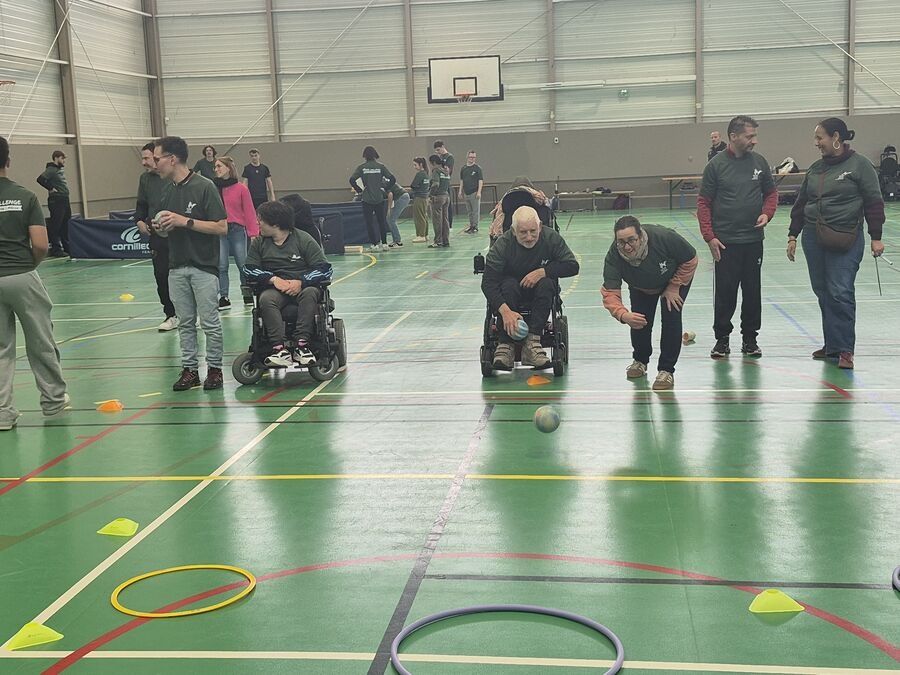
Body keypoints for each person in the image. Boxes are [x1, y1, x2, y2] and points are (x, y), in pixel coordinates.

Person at [787, 117, 885, 370]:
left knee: (840, 291)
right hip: (813, 236)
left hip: (846, 237)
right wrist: (793, 235)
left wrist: (876, 236)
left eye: (820, 137)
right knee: (823, 290)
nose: (816, 142)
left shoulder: (860, 165)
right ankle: (832, 344)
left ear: (836, 138)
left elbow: (874, 202)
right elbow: (801, 203)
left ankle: (845, 349)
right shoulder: (815, 169)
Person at [0, 136, 69, 430]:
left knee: (1, 348)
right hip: (21, 274)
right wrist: (29, 265)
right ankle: (53, 401)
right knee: (40, 339)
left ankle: (2, 414)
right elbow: (41, 244)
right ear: (8, 160)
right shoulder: (25, 196)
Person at [151, 136, 228, 391]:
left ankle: (215, 369)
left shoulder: (205, 186)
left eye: (158, 158)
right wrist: (161, 227)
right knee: (185, 323)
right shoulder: (167, 191)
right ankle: (190, 370)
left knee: (209, 322)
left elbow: (221, 227)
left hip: (203, 266)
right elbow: (167, 230)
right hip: (176, 266)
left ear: (172, 159)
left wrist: (185, 221)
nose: (155, 164)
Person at [697, 115, 778, 359]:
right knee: (725, 292)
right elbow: (703, 203)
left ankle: (750, 339)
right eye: (749, 136)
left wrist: (767, 213)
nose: (754, 141)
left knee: (752, 291)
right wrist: (709, 236)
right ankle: (722, 339)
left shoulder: (760, 162)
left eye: (755, 136)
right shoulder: (715, 166)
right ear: (733, 136)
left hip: (753, 241)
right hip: (725, 243)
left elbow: (771, 193)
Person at [601, 215, 698, 391]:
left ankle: (666, 370)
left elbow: (690, 259)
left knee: (671, 317)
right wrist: (623, 315)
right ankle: (640, 360)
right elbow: (610, 292)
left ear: (640, 235)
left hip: (673, 280)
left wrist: (674, 286)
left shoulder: (664, 237)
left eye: (631, 240)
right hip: (640, 285)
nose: (627, 247)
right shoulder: (613, 256)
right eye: (621, 242)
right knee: (639, 320)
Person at [481, 206, 579, 371]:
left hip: (540, 291)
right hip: (509, 294)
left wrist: (543, 272)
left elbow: (572, 266)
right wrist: (505, 312)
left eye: (533, 231)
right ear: (513, 231)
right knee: (509, 285)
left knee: (547, 283)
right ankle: (505, 345)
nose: (529, 237)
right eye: (523, 232)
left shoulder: (551, 238)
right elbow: (488, 283)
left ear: (540, 226)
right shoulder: (502, 245)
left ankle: (533, 342)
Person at [243, 201, 333, 367]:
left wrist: (301, 282)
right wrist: (273, 279)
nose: (257, 223)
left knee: (310, 293)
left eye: (260, 219)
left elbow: (324, 269)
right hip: (275, 289)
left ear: (275, 223)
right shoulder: (259, 243)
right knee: (266, 299)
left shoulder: (303, 239)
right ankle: (279, 349)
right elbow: (249, 269)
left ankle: (302, 345)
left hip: (303, 288)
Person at [134, 141, 177, 331]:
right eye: (142, 158)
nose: (143, 162)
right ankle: (171, 314)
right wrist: (139, 221)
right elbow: (141, 205)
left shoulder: (173, 177)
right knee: (161, 275)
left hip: (178, 237)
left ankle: (190, 313)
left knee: (183, 275)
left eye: (147, 158)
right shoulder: (145, 179)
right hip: (157, 239)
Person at [213, 155, 257, 309]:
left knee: (242, 263)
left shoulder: (241, 188)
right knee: (222, 265)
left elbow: (249, 211)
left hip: (237, 229)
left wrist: (253, 233)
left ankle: (247, 293)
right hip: (220, 230)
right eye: (215, 167)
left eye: (219, 166)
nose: (216, 169)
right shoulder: (213, 188)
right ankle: (223, 297)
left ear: (228, 168)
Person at [349, 146, 396, 252]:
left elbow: (351, 180)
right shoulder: (381, 167)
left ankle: (374, 244)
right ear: (375, 154)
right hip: (379, 198)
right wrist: (386, 188)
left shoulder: (361, 167)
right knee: (381, 221)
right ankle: (384, 244)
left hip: (367, 199)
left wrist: (359, 190)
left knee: (369, 223)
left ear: (364, 156)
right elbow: (393, 179)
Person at [36, 149, 70, 257]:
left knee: (65, 224)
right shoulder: (51, 169)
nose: (64, 160)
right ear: (56, 158)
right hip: (57, 200)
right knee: (56, 225)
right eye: (62, 158)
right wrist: (50, 188)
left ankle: (67, 247)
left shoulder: (59, 170)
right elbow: (40, 179)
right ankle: (56, 249)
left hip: (64, 199)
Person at [428, 154, 450, 248]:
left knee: (437, 220)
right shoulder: (446, 171)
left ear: (433, 163)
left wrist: (430, 195)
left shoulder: (436, 171)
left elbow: (435, 184)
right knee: (445, 220)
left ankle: (438, 241)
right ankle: (446, 240)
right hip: (446, 196)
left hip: (438, 197)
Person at [459, 150, 484, 234]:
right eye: (471, 157)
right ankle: (471, 225)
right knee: (469, 211)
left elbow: (480, 180)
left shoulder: (477, 168)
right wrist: (460, 191)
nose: (472, 159)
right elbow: (462, 180)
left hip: (474, 192)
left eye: (474, 157)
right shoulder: (463, 168)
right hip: (466, 192)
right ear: (467, 157)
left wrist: (479, 192)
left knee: (475, 211)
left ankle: (475, 226)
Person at [434, 140, 454, 227]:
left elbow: (448, 171)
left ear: (443, 147)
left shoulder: (449, 157)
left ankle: (449, 224)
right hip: (440, 183)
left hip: (446, 183)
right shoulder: (439, 157)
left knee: (447, 205)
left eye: (438, 150)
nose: (438, 152)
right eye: (436, 151)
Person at [410, 157, 430, 243]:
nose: (414, 167)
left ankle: (421, 235)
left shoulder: (420, 174)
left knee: (419, 217)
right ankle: (425, 234)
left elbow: (413, 185)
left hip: (419, 197)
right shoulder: (426, 174)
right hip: (425, 197)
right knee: (424, 216)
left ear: (421, 164)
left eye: (415, 165)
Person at [385, 181, 408, 247]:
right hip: (402, 197)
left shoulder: (383, 183)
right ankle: (395, 240)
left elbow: (390, 195)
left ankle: (397, 241)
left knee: (391, 219)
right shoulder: (386, 180)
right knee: (389, 219)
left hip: (402, 197)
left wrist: (389, 209)